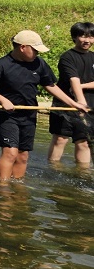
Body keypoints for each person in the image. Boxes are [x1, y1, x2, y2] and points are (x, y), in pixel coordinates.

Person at [0, 30, 79, 183]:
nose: (37, 54)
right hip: (6, 114)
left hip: (29, 113)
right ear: (22, 47)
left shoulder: (39, 63)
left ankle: (18, 185)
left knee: (23, 155)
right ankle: (3, 188)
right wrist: (2, 100)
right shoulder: (1, 65)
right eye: (34, 50)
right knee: (10, 152)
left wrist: (73, 103)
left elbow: (50, 85)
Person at [47, 22, 94, 166]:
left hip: (89, 105)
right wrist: (80, 103)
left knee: (84, 141)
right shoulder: (67, 57)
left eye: (91, 37)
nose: (87, 40)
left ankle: (82, 174)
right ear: (74, 37)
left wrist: (83, 88)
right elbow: (74, 80)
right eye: (83, 36)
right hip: (66, 103)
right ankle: (53, 168)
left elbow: (79, 84)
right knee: (61, 138)